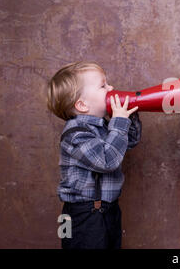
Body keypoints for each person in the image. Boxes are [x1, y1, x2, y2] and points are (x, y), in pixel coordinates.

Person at [47, 61, 142, 249]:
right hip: (82, 217)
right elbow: (107, 161)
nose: (111, 88)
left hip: (108, 211)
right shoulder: (75, 134)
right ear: (82, 105)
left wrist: (128, 116)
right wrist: (119, 123)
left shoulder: (104, 125)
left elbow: (129, 141)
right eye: (103, 85)